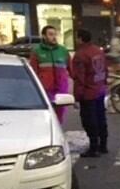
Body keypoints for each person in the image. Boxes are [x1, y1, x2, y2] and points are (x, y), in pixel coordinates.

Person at [73, 29, 108, 158]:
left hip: (88, 92)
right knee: (101, 118)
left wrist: (77, 96)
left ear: (80, 39)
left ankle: (94, 147)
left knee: (89, 120)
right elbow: (105, 69)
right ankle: (103, 145)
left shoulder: (80, 55)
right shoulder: (98, 51)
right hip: (99, 89)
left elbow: (79, 77)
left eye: (77, 38)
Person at [29, 25, 73, 124]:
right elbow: (33, 73)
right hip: (45, 90)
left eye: (55, 34)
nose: (54, 37)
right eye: (50, 34)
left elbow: (71, 70)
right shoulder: (37, 52)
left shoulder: (63, 51)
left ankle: (58, 132)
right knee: (47, 116)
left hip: (61, 90)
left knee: (59, 116)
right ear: (44, 36)